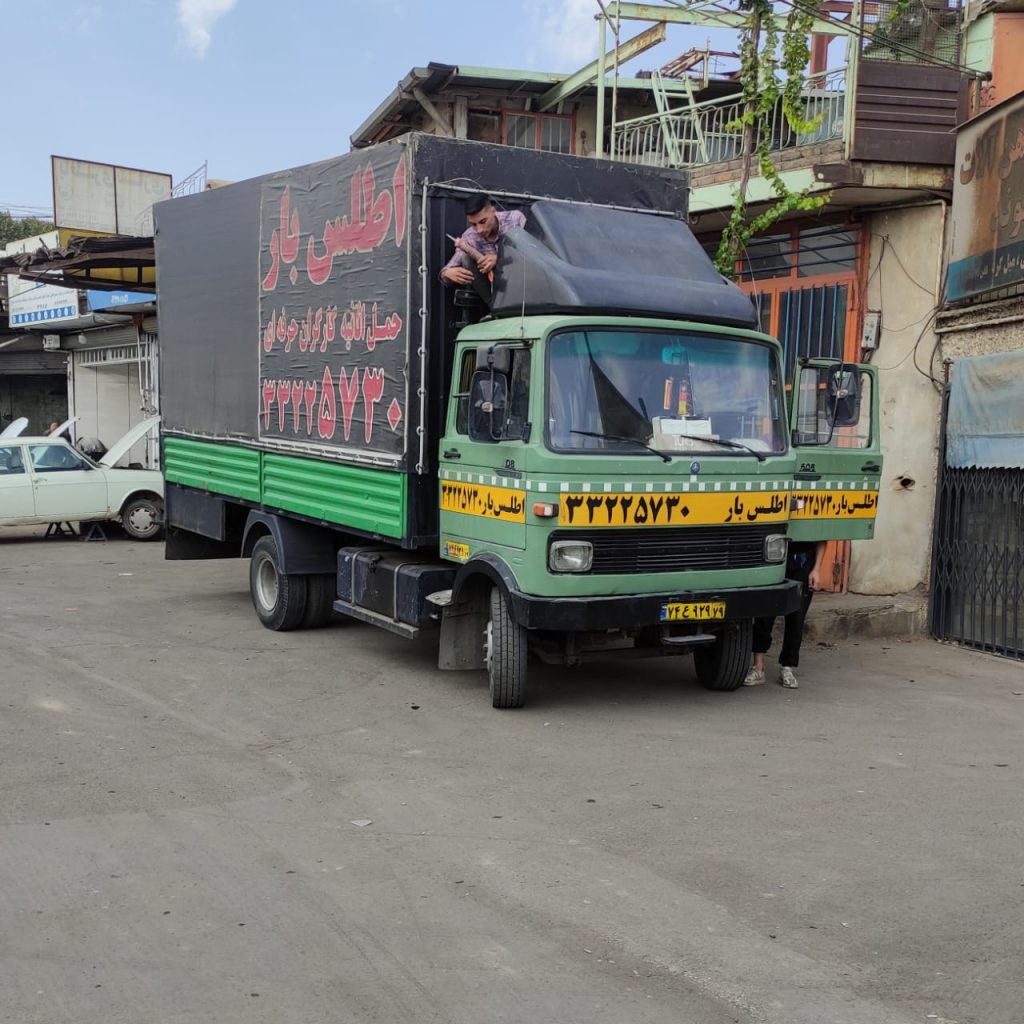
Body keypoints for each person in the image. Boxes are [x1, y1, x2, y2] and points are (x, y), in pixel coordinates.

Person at [743, 540, 827, 689]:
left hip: (804, 560)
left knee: (797, 616)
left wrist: (817, 569)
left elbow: (822, 534)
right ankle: (758, 667)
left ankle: (787, 667)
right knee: (765, 612)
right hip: (774, 555)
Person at [440, 193, 526, 287]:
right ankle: (491, 301)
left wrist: (499, 259)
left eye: (483, 222)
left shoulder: (515, 219)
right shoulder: (469, 237)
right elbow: (447, 270)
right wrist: (447, 274)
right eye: (473, 224)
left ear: (493, 211)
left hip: (522, 282)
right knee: (466, 258)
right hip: (496, 290)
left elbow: (533, 254)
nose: (479, 230)